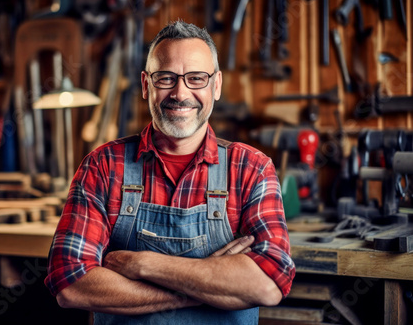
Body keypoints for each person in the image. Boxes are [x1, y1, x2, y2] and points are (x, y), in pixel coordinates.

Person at [45, 20, 295, 324]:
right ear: (145, 84)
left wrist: (144, 265)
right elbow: (71, 283)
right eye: (166, 78)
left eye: (196, 78)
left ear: (216, 86)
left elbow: (269, 283)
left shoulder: (251, 169)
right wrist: (199, 288)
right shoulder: (104, 166)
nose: (180, 92)